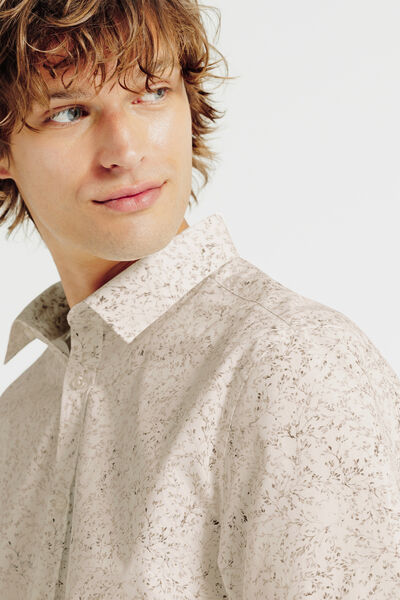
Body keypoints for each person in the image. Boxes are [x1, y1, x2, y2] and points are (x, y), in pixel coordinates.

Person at [1, 1, 400, 598]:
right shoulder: (20, 414)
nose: (125, 150)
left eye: (151, 92)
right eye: (70, 111)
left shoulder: (292, 366)